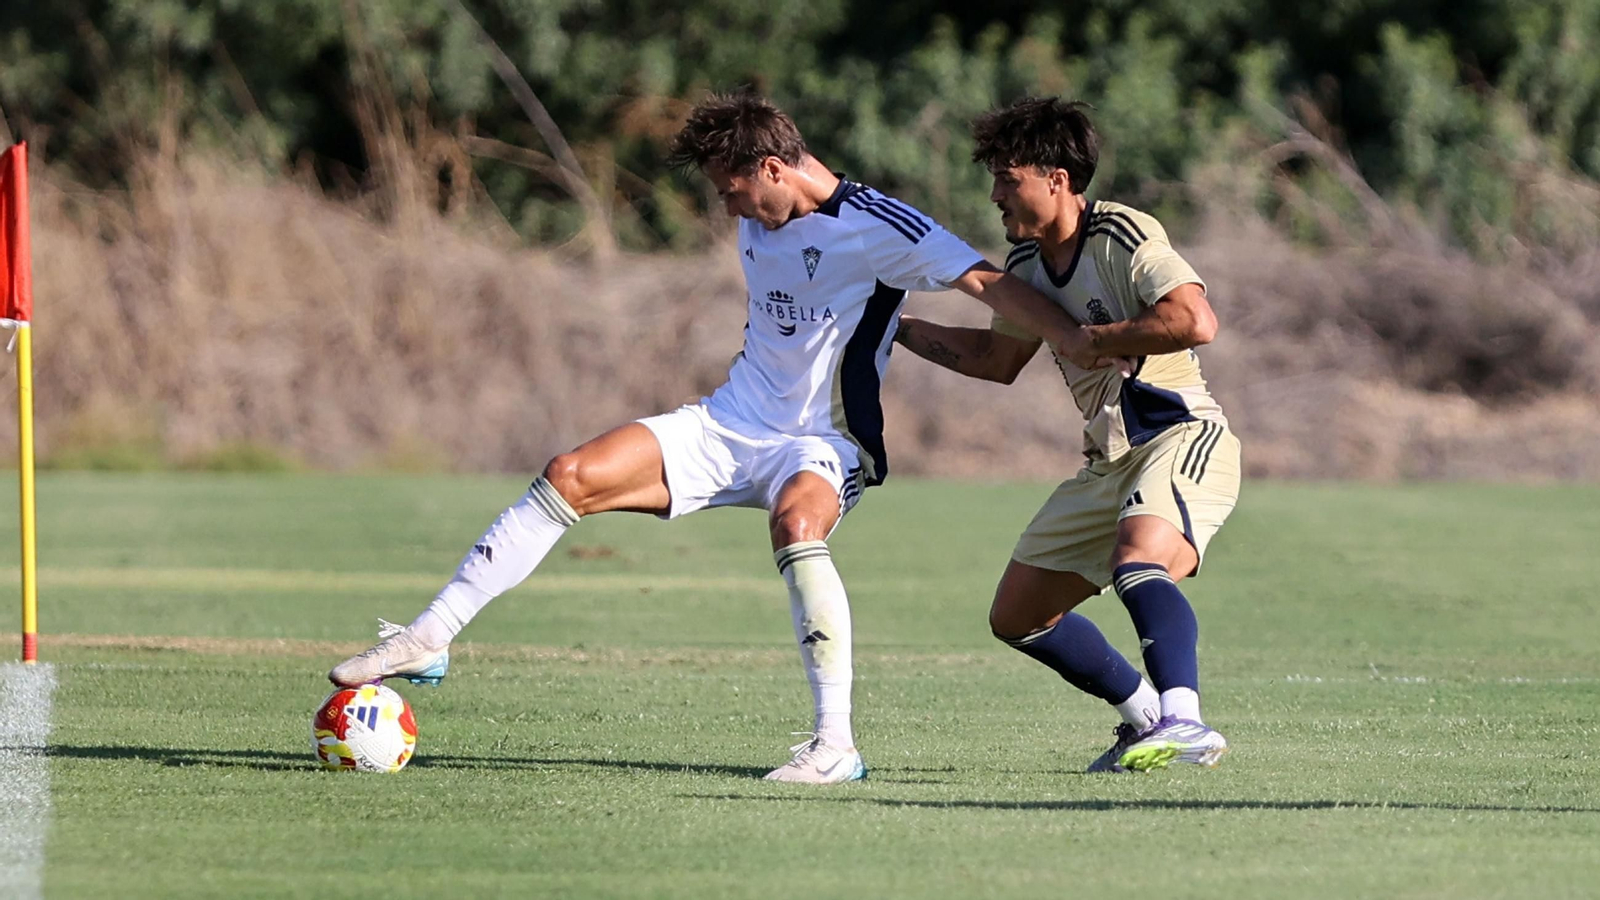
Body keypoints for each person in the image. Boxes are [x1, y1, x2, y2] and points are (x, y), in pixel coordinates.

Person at [328, 91, 1089, 784]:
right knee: (568, 475)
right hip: (730, 423)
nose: (726, 207)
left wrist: (1081, 340)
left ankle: (835, 746)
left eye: (731, 189)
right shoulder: (764, 215)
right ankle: (430, 637)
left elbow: (990, 283)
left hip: (824, 442)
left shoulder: (877, 227)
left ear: (771, 167)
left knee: (796, 522)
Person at [893, 97, 1242, 772]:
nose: (995, 193)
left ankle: (1186, 719)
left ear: (1056, 178)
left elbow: (1197, 321)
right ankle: (1146, 721)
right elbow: (996, 363)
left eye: (1007, 176)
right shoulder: (1025, 266)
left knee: (1137, 560)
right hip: (1108, 460)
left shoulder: (1122, 233)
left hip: (1179, 432)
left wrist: (1099, 339)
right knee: (1016, 616)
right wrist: (896, 329)